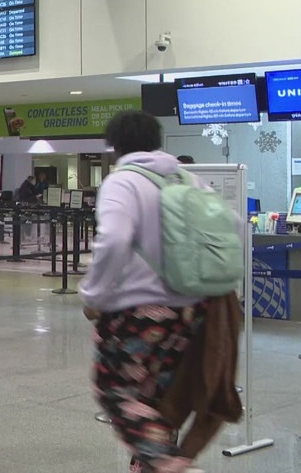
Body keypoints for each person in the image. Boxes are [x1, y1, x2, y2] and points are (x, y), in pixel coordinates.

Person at [80, 111, 207, 473]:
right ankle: (148, 465)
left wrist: (94, 294)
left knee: (114, 389)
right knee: (160, 401)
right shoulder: (187, 179)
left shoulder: (124, 181)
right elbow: (230, 229)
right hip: (189, 313)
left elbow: (115, 238)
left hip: (139, 314)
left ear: (115, 145)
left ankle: (167, 463)